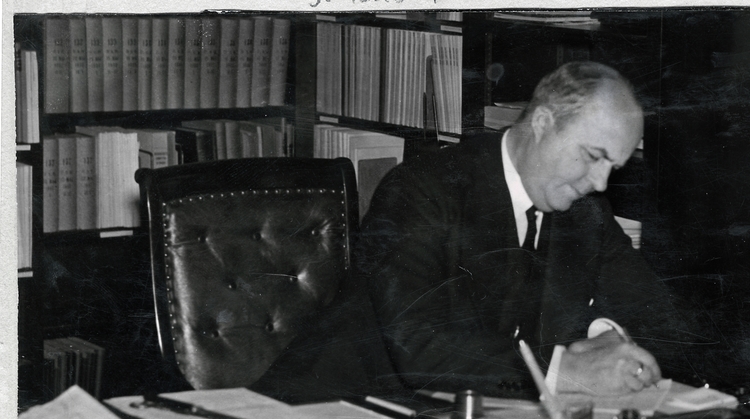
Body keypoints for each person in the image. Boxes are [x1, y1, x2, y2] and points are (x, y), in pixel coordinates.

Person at [254, 61, 706, 401]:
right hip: (339, 410)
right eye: (593, 156)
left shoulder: (584, 212)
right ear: (543, 123)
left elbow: (663, 319)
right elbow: (420, 347)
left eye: (614, 166)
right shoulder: (422, 190)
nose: (602, 183)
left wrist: (607, 334)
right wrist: (564, 371)